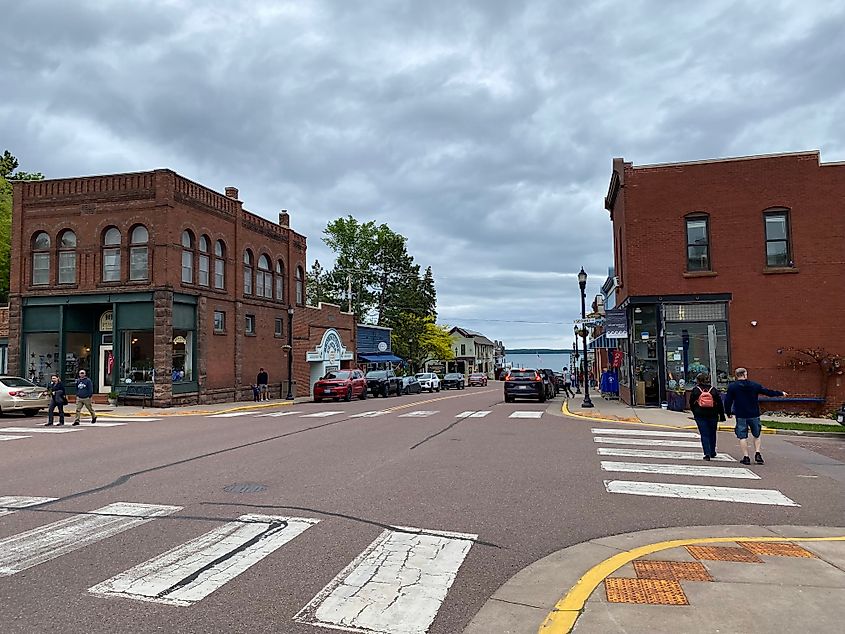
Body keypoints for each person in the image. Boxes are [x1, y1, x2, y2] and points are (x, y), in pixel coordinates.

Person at [724, 367, 786, 465]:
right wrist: (780, 393)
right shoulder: (754, 385)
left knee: (742, 436)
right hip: (754, 413)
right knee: (756, 434)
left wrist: (728, 412)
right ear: (745, 374)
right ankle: (758, 453)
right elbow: (768, 392)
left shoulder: (733, 387)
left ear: (736, 375)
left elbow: (728, 401)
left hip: (741, 414)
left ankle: (746, 456)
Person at [689, 372, 726, 460]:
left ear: (698, 380)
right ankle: (712, 451)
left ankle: (707, 453)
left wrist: (694, 412)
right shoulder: (713, 390)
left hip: (700, 414)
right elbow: (720, 403)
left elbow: (691, 402)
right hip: (713, 414)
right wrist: (721, 415)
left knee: (704, 434)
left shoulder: (696, 390)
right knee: (712, 433)